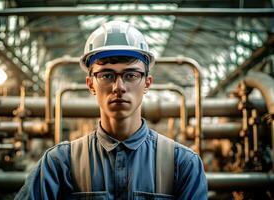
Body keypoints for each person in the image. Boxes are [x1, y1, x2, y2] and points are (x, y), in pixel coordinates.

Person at [15, 21, 207, 200]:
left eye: (131, 75)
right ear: (91, 84)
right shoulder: (58, 164)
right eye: (107, 75)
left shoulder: (182, 164)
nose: (119, 87)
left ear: (147, 83)